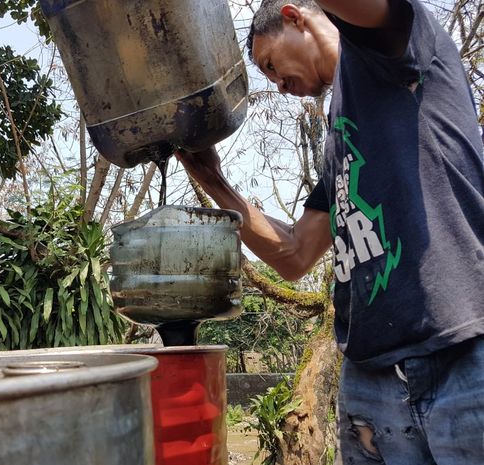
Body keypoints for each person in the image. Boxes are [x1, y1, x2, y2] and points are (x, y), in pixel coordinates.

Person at [176, 0, 484, 463]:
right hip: (371, 375)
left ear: (295, 17)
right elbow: (295, 255)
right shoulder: (340, 141)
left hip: (460, 350)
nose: (278, 86)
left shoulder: (393, 49)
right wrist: (215, 183)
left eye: (272, 66)